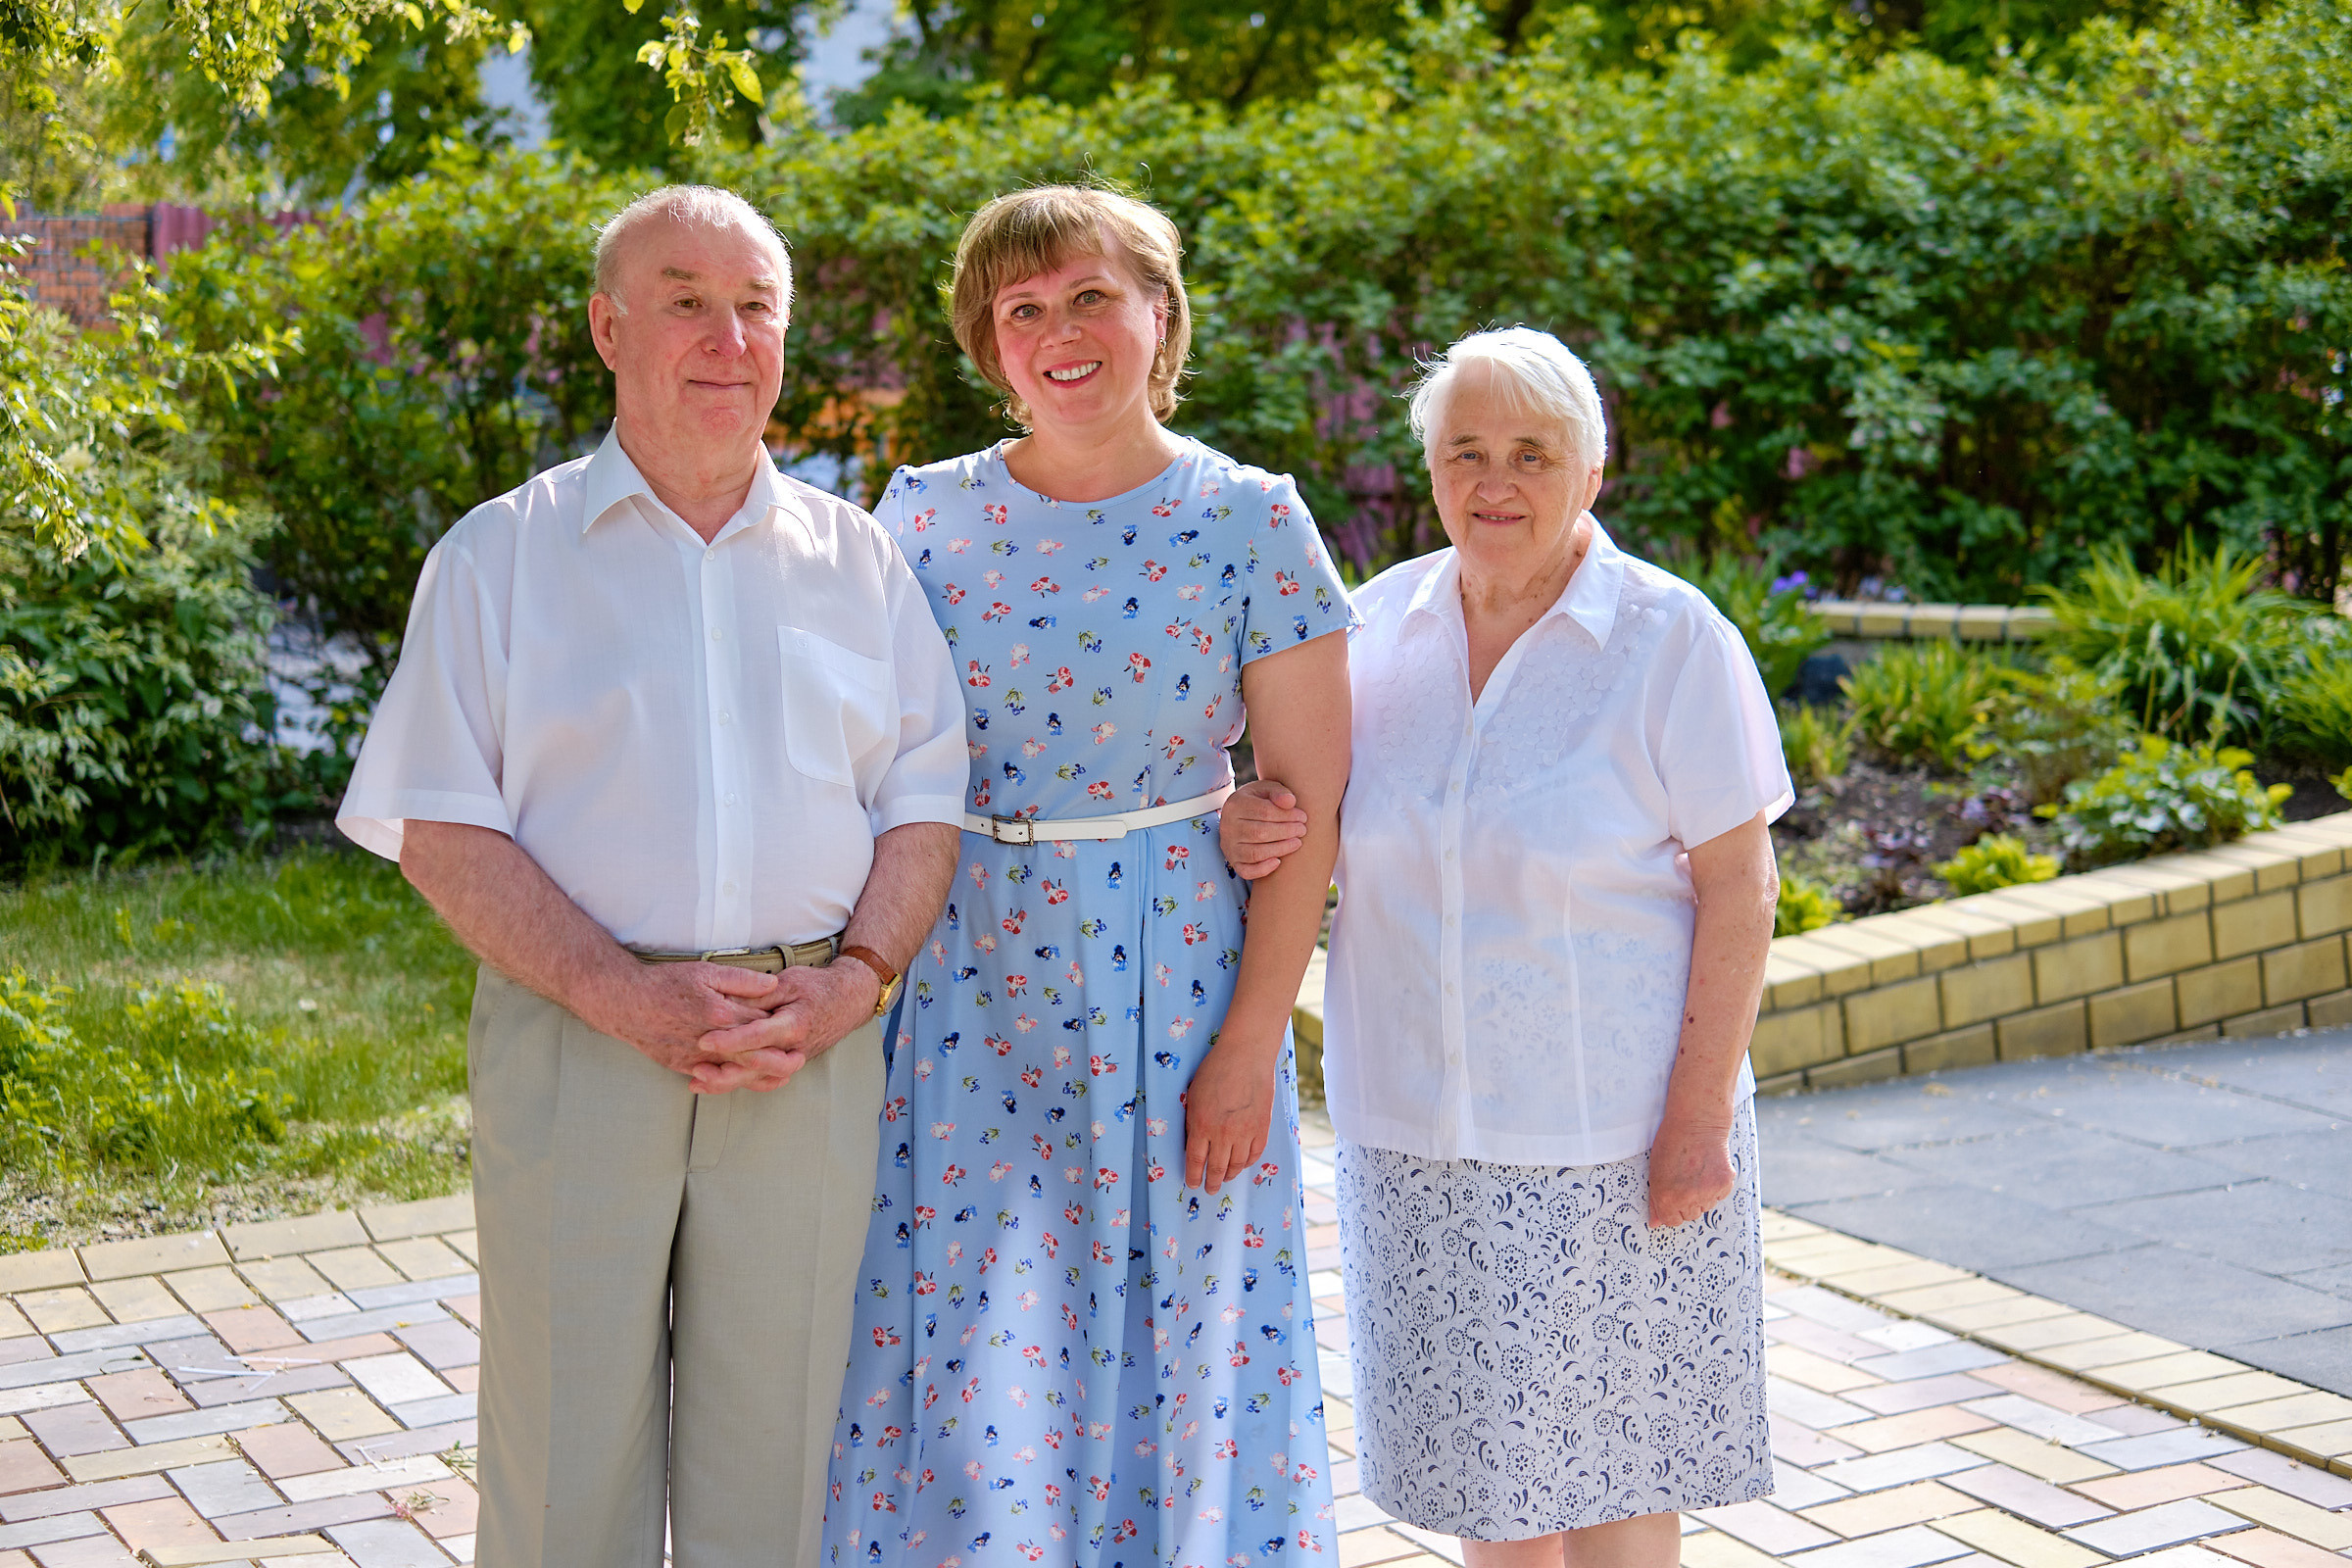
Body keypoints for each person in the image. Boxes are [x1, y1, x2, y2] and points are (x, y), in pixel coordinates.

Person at [336, 184, 968, 1568]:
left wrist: (856, 984)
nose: (727, 337)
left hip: (806, 1053)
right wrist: (626, 997)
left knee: (781, 1464)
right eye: (687, 299)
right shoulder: (502, 557)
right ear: (607, 328)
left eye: (758, 308)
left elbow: (926, 808)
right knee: (563, 1461)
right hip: (578, 1040)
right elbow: (441, 831)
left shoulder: (862, 563)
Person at [820, 185, 1351, 1568]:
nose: (1060, 332)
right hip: (964, 978)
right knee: (966, 1332)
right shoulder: (920, 517)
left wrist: (1252, 1048)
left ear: (1161, 314)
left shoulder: (1255, 520)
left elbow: (1311, 806)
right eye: (1023, 310)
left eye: (1090, 297)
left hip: (1175, 985)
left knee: (1177, 1338)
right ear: (991, 346)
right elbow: (859, 758)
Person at [1221, 327, 1788, 1568]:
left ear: (1594, 470)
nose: (1497, 481)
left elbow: (1744, 892)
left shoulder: (1670, 639)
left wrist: (1696, 1120)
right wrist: (1249, 815)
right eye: (1465, 450)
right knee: (1495, 1498)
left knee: (1619, 1489)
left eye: (1534, 452)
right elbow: (1303, 818)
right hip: (1423, 1139)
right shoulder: (1371, 634)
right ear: (1427, 469)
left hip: (1616, 1141)